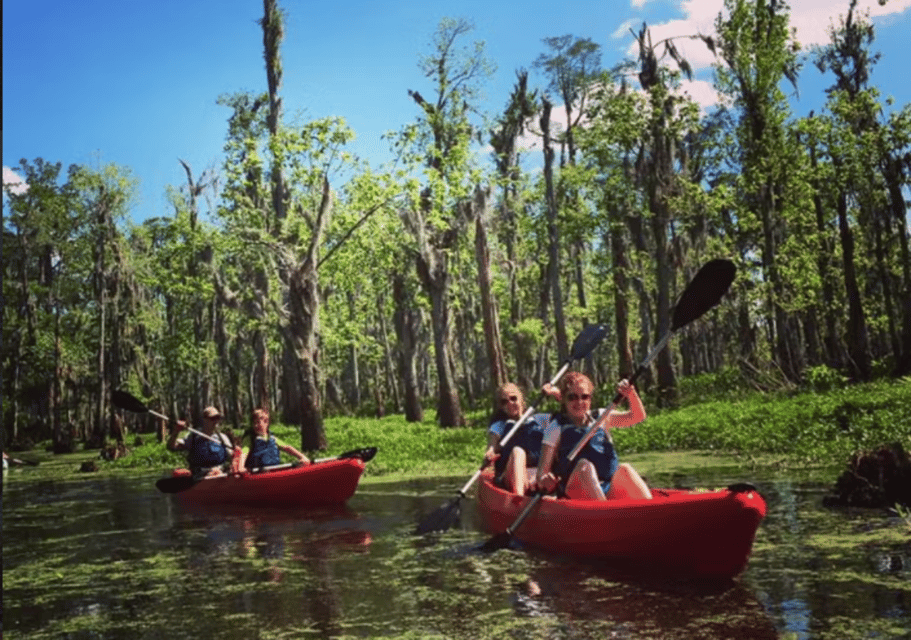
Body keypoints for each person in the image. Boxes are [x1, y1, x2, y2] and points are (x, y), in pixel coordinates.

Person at [536, 372, 652, 500]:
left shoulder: (602, 416)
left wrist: (631, 393)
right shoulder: (555, 427)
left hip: (606, 488)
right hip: (574, 492)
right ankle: (605, 514)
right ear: (563, 399)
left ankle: (651, 512)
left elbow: (637, 416)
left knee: (625, 469)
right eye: (572, 397)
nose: (579, 402)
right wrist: (546, 480)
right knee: (585, 466)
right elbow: (542, 474)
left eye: (584, 397)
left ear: (590, 398)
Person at [484, 382, 557, 495]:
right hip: (511, 475)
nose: (510, 403)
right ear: (501, 406)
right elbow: (492, 446)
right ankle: (518, 499)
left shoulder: (540, 419)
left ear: (521, 399)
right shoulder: (499, 425)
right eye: (504, 401)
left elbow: (568, 414)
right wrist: (490, 453)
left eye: (513, 398)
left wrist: (556, 394)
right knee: (518, 452)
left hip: (537, 476)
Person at [166, 406, 240, 478]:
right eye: (213, 418)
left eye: (218, 418)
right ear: (205, 419)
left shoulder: (222, 438)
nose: (216, 421)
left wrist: (224, 468)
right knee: (179, 473)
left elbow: (232, 456)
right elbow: (171, 447)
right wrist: (176, 431)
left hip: (219, 473)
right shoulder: (193, 436)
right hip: (199, 475)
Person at [242, 407, 310, 471]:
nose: (256, 425)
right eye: (254, 423)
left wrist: (302, 457)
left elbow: (287, 447)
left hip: (274, 470)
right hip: (257, 473)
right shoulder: (250, 439)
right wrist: (241, 467)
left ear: (266, 422)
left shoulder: (272, 438)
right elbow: (244, 453)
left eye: (258, 422)